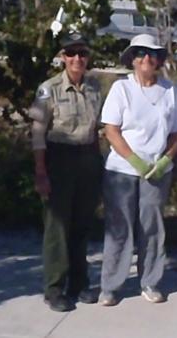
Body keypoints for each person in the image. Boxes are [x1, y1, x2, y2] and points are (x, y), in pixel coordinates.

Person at [98, 34, 177, 306]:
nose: (147, 58)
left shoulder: (169, 90)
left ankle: (150, 281)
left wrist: (164, 160)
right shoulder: (121, 89)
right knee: (119, 228)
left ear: (159, 59)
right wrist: (135, 160)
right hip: (122, 170)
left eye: (152, 54)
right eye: (140, 53)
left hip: (157, 172)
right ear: (133, 60)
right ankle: (111, 285)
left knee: (152, 227)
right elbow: (111, 130)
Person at [29, 32, 104, 312]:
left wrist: (97, 164)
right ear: (62, 57)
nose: (77, 59)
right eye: (71, 54)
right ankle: (55, 288)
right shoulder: (49, 89)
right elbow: (38, 133)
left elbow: (96, 130)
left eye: (82, 54)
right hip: (58, 158)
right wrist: (41, 172)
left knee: (82, 225)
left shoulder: (95, 89)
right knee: (57, 227)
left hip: (87, 158)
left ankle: (79, 283)